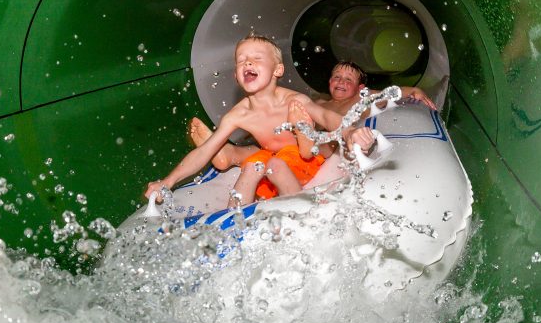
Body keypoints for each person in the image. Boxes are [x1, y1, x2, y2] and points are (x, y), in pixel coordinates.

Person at [145, 35, 346, 206]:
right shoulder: (239, 114)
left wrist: (350, 131)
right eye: (241, 60)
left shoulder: (293, 101)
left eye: (257, 58)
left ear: (277, 70)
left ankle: (303, 139)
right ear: (236, 75)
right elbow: (205, 150)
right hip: (273, 155)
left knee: (275, 164)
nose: (247, 63)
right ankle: (233, 218)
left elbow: (325, 116)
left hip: (303, 158)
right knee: (251, 166)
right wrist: (168, 181)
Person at [188, 60, 436, 168]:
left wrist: (413, 90)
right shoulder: (318, 101)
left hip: (326, 146)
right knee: (269, 146)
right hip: (295, 142)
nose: (340, 82)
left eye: (348, 79)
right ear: (329, 81)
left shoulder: (361, 99)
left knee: (324, 139)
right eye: (336, 77)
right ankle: (228, 154)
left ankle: (305, 141)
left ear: (360, 87)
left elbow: (389, 93)